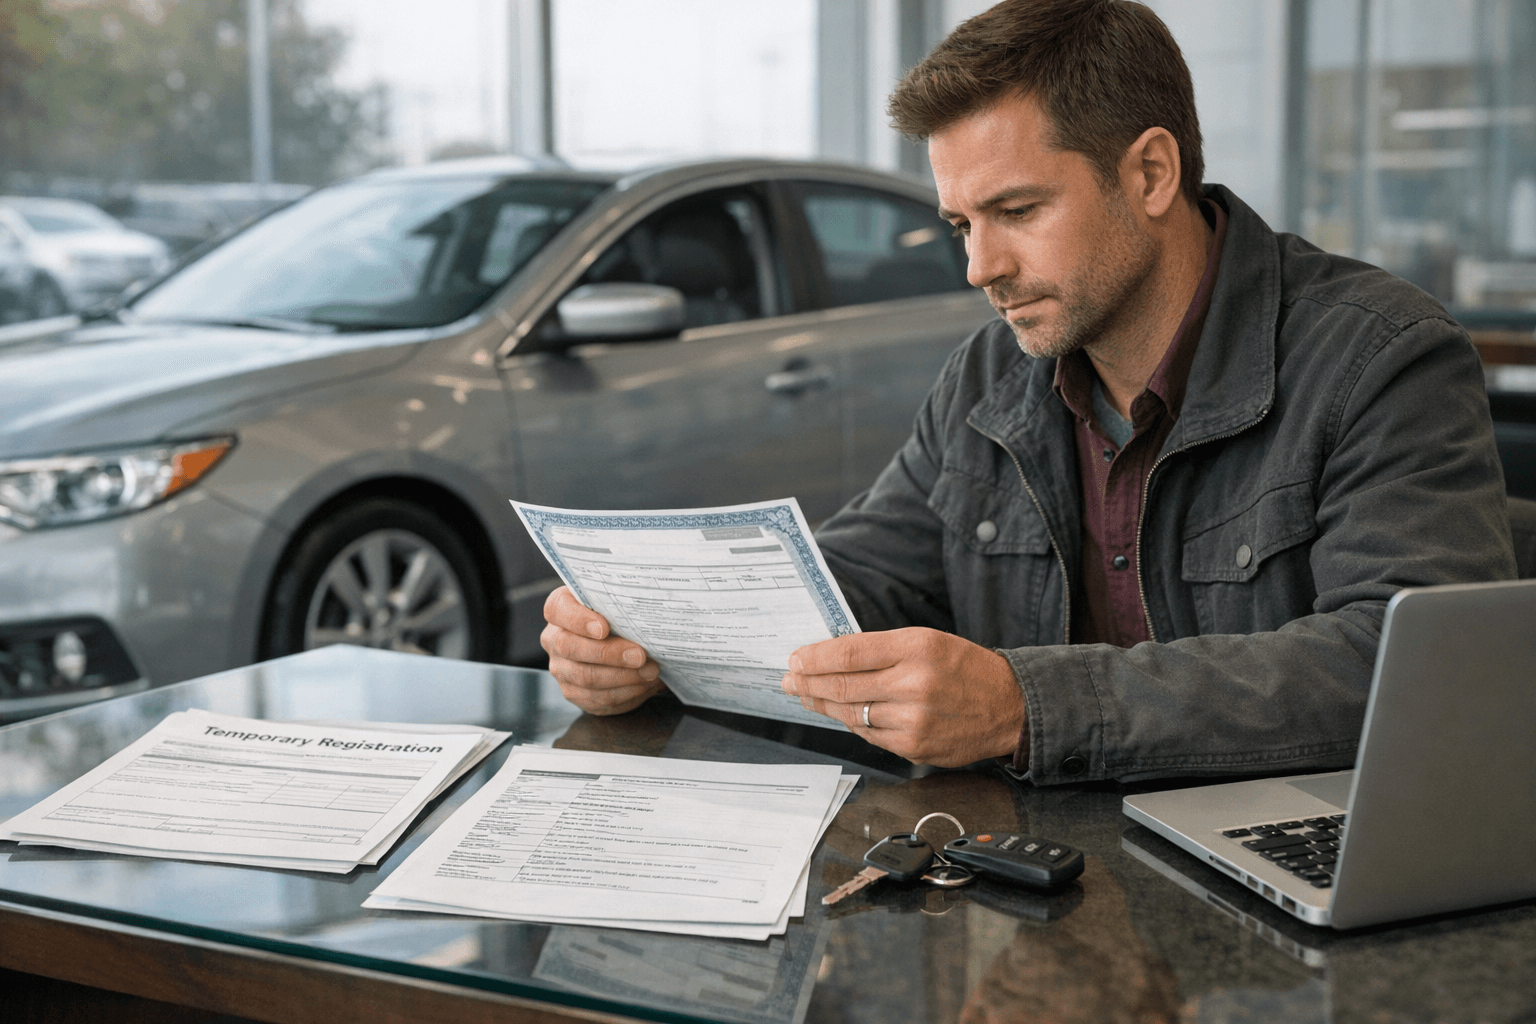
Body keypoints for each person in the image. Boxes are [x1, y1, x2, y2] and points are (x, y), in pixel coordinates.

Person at [541, 0, 1516, 783]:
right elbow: (868, 575)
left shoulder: (1381, 354)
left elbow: (1404, 665)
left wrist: (1026, 704)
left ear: (1150, 172)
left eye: (1016, 211)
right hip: (1052, 878)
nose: (978, 266)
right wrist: (649, 636)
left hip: (1288, 898)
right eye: (961, 223)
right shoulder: (989, 373)